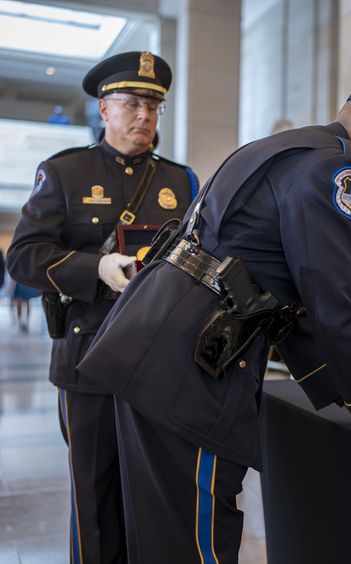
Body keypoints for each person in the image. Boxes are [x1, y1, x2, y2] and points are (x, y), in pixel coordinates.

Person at [77, 64, 351, 562]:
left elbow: (290, 303)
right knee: (197, 544)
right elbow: (335, 306)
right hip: (192, 378)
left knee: (159, 538)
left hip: (152, 355)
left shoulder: (282, 149)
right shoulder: (338, 171)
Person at [7, 51, 197, 564]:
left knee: (156, 494)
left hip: (160, 364)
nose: (144, 117)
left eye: (153, 107)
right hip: (87, 356)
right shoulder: (65, 172)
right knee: (94, 494)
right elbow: (23, 257)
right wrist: (93, 268)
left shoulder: (181, 183)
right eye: (132, 104)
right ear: (104, 110)